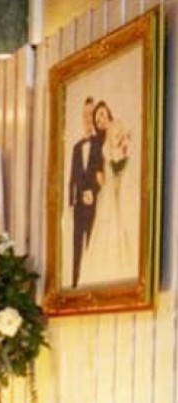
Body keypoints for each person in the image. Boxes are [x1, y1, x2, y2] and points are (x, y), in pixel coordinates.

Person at [78, 100, 135, 287]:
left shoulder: (117, 125)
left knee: (115, 220)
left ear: (107, 112)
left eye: (101, 114)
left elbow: (121, 151)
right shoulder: (101, 139)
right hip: (109, 185)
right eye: (97, 119)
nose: (100, 120)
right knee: (103, 224)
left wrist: (116, 165)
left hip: (117, 182)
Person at [67, 97, 102, 288]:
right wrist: (71, 202)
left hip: (95, 203)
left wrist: (94, 192)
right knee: (76, 244)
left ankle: (90, 281)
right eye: (85, 115)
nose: (87, 118)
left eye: (90, 114)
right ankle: (75, 282)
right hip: (78, 205)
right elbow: (72, 178)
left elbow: (103, 173)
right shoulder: (76, 147)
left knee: (92, 242)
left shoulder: (100, 143)